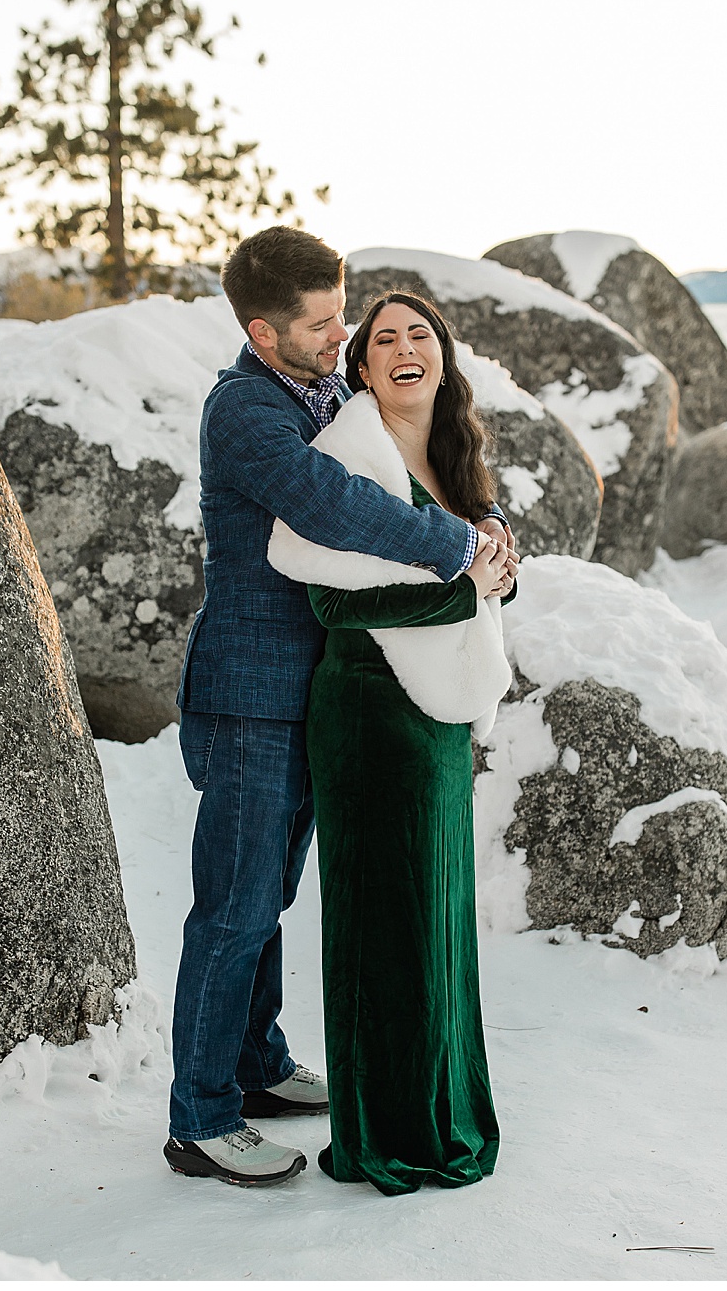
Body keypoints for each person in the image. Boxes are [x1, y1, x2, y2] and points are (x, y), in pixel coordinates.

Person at [164, 229, 517, 1187]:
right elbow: (330, 500)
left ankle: (259, 1063)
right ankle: (198, 1119)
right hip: (250, 693)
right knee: (233, 908)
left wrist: (483, 523)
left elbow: (404, 454)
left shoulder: (319, 390)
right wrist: (452, 548)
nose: (341, 334)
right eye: (321, 323)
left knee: (268, 897)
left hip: (319, 690)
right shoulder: (245, 410)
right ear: (261, 329)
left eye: (341, 314)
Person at [284, 290, 515, 1195]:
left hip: (438, 720)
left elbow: (482, 574)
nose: (405, 347)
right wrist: (467, 591)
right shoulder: (350, 453)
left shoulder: (454, 459)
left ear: (444, 358)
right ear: (363, 367)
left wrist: (495, 567)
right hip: (370, 713)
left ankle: (443, 1113)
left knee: (438, 925)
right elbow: (331, 600)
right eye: (384, 339)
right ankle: (389, 1133)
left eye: (421, 334)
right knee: (387, 926)